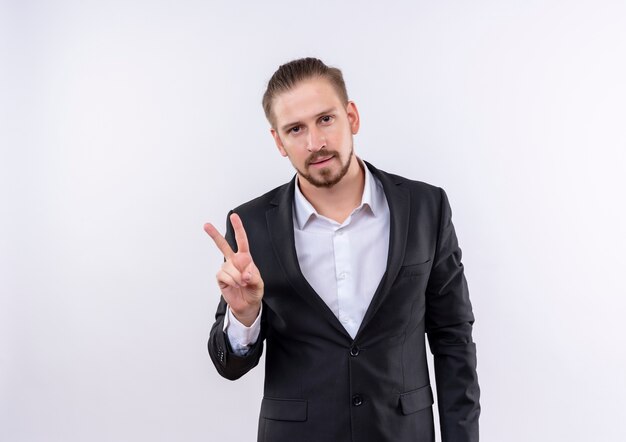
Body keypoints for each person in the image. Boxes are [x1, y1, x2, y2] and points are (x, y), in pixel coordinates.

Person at [204, 57, 480, 442]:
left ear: (352, 117)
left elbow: (453, 340)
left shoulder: (425, 208)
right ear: (278, 142)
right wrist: (244, 316)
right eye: (295, 129)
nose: (315, 143)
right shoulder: (250, 227)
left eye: (326, 119)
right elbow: (228, 364)